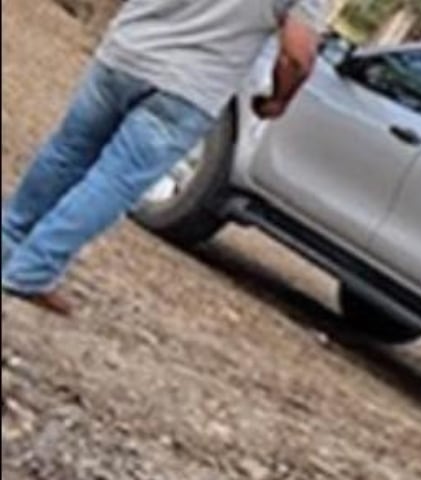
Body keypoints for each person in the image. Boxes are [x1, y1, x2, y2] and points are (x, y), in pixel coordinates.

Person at [0, 0, 324, 315]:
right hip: (188, 88)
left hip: (125, 52)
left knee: (66, 153)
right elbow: (297, 56)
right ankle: (32, 270)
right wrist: (278, 99)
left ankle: (7, 242)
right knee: (114, 181)